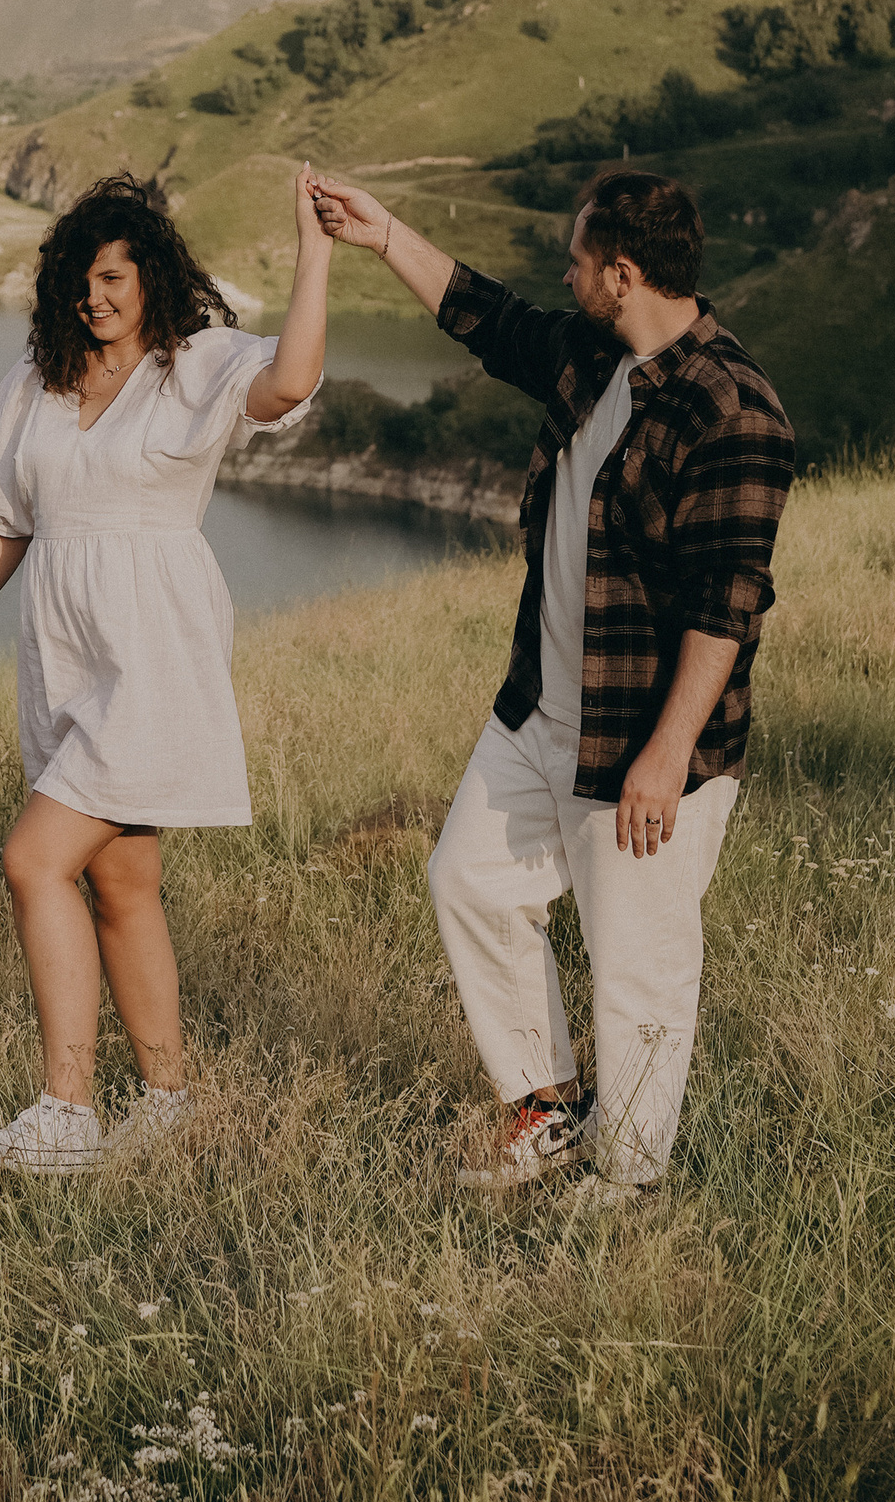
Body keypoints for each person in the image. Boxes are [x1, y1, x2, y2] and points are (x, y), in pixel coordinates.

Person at [310, 166, 791, 1197]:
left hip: (641, 743)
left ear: (623, 271)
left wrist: (664, 758)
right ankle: (549, 1106)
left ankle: (629, 1183)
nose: (563, 274)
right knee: (467, 880)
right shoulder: (598, 353)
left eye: (577, 260)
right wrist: (381, 232)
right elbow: (490, 317)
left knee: (637, 967)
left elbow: (727, 604)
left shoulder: (732, 407)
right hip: (540, 711)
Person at [0, 167, 329, 1174]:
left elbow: (293, 379)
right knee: (123, 878)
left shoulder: (197, 367)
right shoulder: (37, 383)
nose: (95, 294)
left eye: (114, 274)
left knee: (32, 859)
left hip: (152, 650)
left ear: (152, 277)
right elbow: (6, 522)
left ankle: (66, 1109)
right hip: (60, 654)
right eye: (79, 276)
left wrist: (316, 251)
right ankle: (169, 1099)